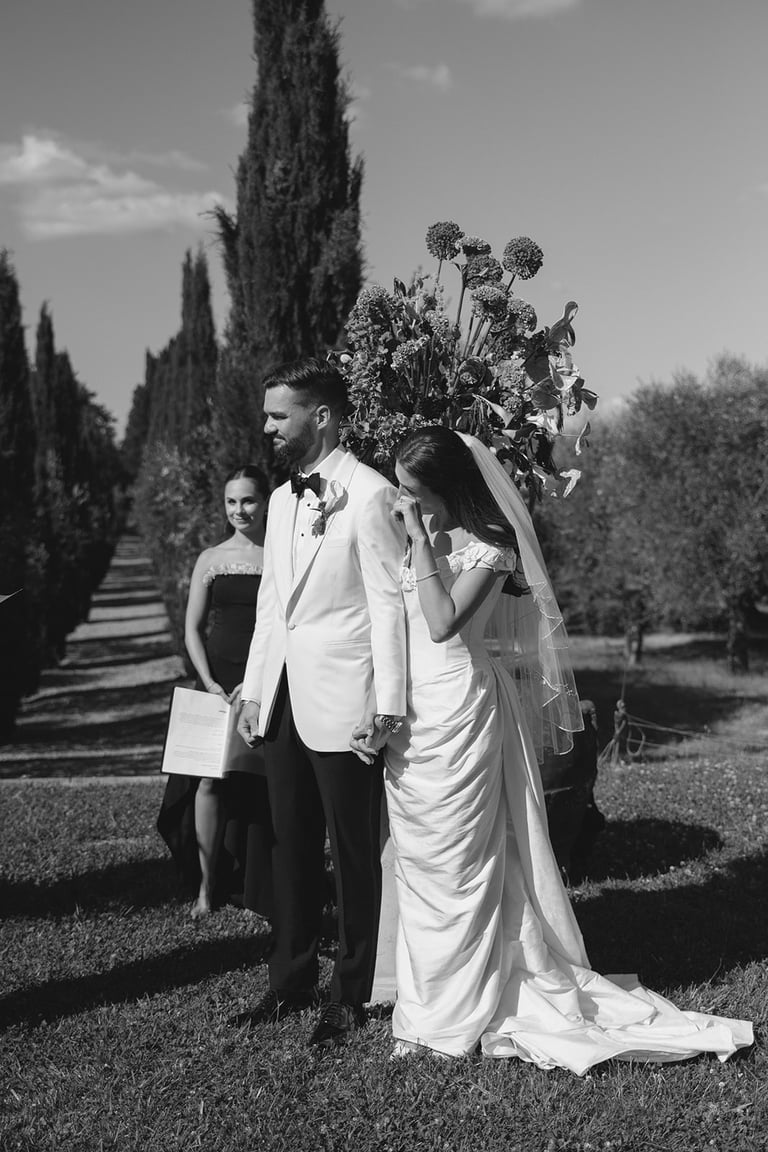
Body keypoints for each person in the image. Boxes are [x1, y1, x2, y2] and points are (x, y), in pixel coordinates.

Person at [354, 426, 752, 1071]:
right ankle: (426, 999)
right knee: (419, 863)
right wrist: (380, 705)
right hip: (413, 719)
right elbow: (390, 624)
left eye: (413, 491)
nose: (403, 502)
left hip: (460, 707)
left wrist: (421, 542)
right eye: (400, 489)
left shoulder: (489, 547)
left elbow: (442, 623)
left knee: (463, 862)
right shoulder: (412, 538)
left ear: (448, 488)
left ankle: (453, 1011)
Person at [237, 358, 407, 1048]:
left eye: (280, 415)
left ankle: (351, 990)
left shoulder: (371, 494)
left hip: (347, 703)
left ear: (324, 416)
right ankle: (290, 978)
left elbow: (389, 608)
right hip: (282, 699)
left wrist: (386, 706)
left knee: (354, 853)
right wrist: (254, 689)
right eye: (268, 414)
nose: (268, 427)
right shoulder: (280, 499)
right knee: (291, 845)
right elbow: (271, 605)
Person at [157, 465, 273, 921]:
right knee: (208, 781)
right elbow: (192, 628)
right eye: (231, 501)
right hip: (216, 684)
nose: (239, 510)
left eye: (248, 500)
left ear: (265, 501)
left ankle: (260, 886)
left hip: (265, 682)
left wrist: (259, 679)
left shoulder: (280, 555)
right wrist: (208, 682)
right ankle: (206, 888)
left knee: (263, 784)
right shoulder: (211, 558)